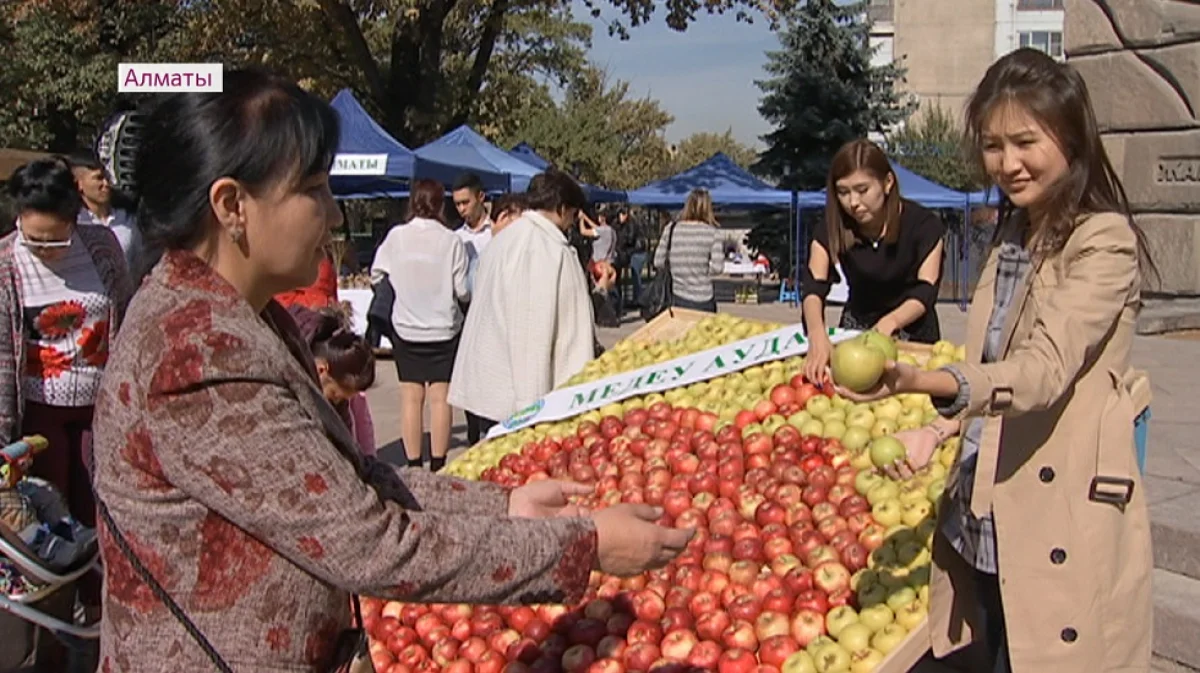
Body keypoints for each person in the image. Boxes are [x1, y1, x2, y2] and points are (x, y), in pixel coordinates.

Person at [92, 68, 692, 673]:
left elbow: (344, 479)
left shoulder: (240, 316)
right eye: (313, 189)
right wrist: (582, 546)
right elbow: (368, 541)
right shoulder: (194, 354)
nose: (331, 215)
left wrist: (502, 507)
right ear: (231, 205)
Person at [836, 49, 1156, 673]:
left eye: (1025, 142)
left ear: (1071, 137)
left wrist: (913, 379)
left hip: (1054, 509)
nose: (1007, 164)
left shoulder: (1103, 240)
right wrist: (938, 429)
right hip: (982, 510)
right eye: (992, 146)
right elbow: (992, 361)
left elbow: (1039, 371)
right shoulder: (1013, 234)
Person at [449, 169, 597, 439]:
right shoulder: (540, 248)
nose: (572, 224)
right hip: (517, 404)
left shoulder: (507, 239)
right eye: (573, 216)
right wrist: (532, 415)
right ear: (563, 209)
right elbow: (531, 336)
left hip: (498, 397)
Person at [800, 139, 946, 384]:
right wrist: (817, 334)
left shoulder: (925, 225)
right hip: (857, 330)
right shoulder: (831, 227)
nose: (853, 203)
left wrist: (890, 323)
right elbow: (814, 286)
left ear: (887, 183)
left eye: (862, 190)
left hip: (914, 333)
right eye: (843, 192)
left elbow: (926, 291)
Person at [370, 179, 469, 472]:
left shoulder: (396, 237)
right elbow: (462, 290)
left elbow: (377, 274)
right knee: (441, 398)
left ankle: (413, 463)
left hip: (407, 328)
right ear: (441, 205)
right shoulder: (452, 241)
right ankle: (438, 464)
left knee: (411, 398)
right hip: (443, 328)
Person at [287, 305, 377, 456]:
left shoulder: (336, 395)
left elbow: (346, 439)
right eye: (335, 395)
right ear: (321, 370)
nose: (337, 401)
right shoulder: (284, 371)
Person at [652, 188, 725, 313]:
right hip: (704, 298)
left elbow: (658, 262)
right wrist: (702, 270)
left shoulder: (671, 229)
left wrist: (676, 267)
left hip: (678, 296)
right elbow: (718, 268)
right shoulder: (712, 233)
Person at [69, 152, 141, 266]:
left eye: (107, 177)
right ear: (79, 184)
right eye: (99, 178)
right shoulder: (74, 222)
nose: (106, 184)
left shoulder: (127, 219)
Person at [452, 172, 492, 296]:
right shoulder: (456, 237)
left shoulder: (495, 233)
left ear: (480, 197)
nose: (461, 209)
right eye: (457, 204)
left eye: (465, 202)